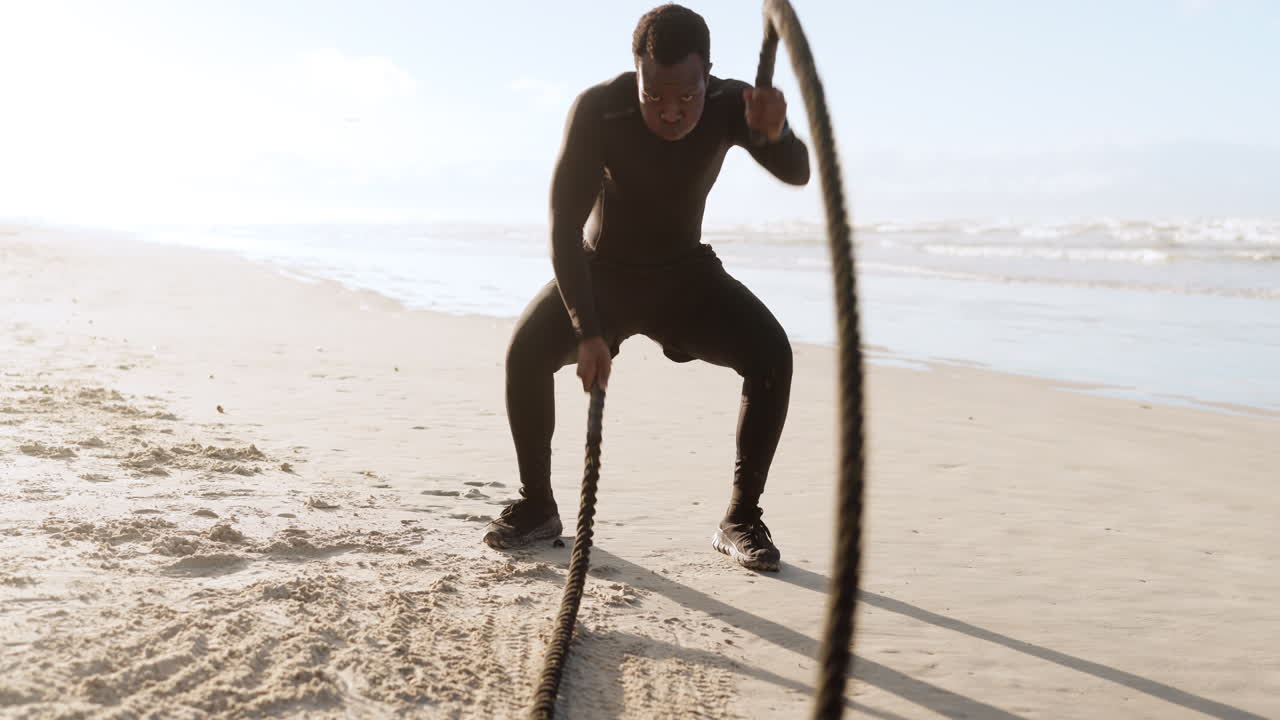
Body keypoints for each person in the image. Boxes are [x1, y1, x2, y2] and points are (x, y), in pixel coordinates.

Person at [483, 3, 810, 572]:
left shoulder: (735, 104)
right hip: (602, 274)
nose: (670, 111)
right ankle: (538, 505)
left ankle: (741, 518)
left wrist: (775, 133)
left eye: (687, 96)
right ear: (636, 72)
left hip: (685, 278)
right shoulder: (599, 110)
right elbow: (563, 228)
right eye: (653, 95)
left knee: (772, 355)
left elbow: (798, 170)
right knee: (524, 353)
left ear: (708, 74)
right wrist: (587, 332)